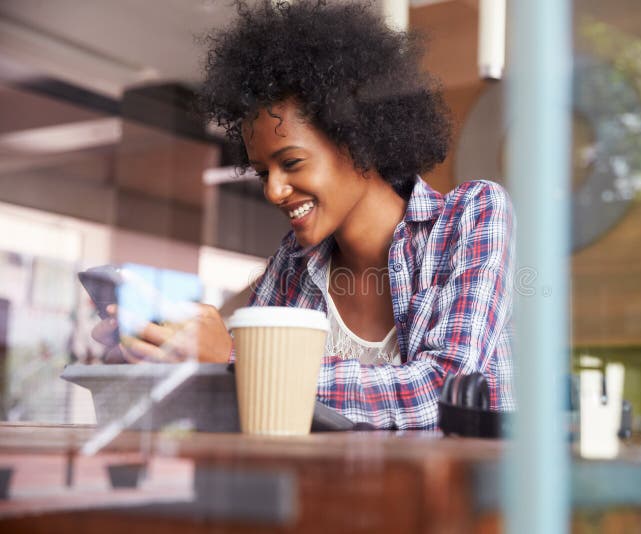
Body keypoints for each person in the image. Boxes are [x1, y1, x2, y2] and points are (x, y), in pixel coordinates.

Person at [94, 0, 515, 430]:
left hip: (448, 496)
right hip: (316, 494)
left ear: (359, 143)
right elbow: (245, 406)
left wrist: (236, 359)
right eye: (263, 172)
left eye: (291, 163)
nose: (273, 190)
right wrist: (155, 350)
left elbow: (441, 390)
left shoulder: (471, 215)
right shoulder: (293, 263)